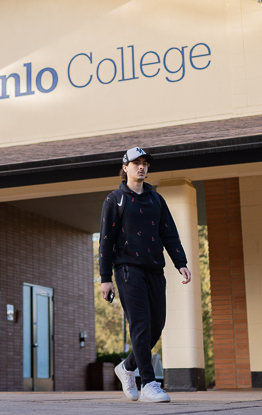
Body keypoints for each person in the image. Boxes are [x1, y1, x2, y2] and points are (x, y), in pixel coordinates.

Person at [99, 147, 192, 403]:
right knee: (140, 325)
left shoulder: (156, 199)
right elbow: (106, 241)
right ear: (125, 167)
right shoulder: (115, 199)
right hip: (127, 269)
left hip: (154, 268)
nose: (141, 167)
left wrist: (180, 262)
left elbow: (169, 234)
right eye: (135, 163)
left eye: (144, 163)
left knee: (156, 326)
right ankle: (149, 383)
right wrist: (105, 278)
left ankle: (126, 368)